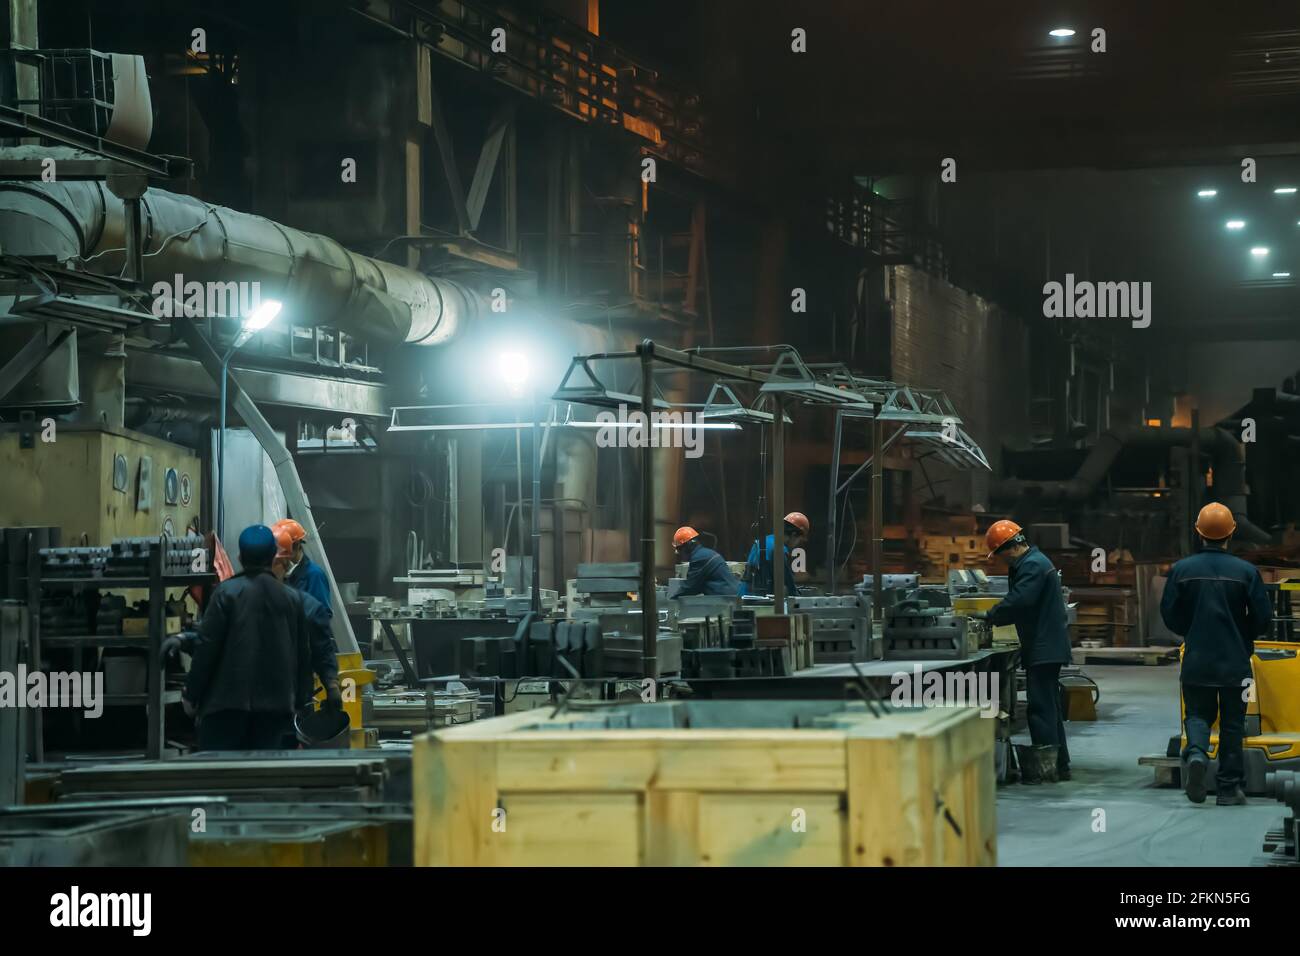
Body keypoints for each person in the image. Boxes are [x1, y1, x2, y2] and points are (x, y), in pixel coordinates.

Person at [1160, 502, 1272, 806]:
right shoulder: (1247, 572)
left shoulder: (1182, 570)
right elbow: (1263, 617)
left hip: (1197, 661)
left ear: (1199, 533)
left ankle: (1196, 754)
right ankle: (1227, 789)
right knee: (1234, 724)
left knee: (1196, 715)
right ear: (1230, 534)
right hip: (1236, 665)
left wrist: (1191, 630)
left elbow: (1169, 613)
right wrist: (1243, 634)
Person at [182, 524, 315, 750]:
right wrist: (303, 704)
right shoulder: (292, 599)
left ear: (240, 557)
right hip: (274, 711)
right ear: (274, 556)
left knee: (221, 777)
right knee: (264, 777)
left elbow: (207, 649)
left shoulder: (226, 593)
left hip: (225, 707)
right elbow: (303, 655)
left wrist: (191, 694)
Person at [984, 519, 1072, 783]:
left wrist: (989, 616)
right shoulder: (1033, 562)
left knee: (1040, 708)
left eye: (1000, 555)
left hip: (1044, 647)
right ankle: (1060, 764)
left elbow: (1021, 600)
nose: (1001, 562)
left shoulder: (1032, 565)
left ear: (1008, 549)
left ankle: (1046, 770)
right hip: (1045, 645)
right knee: (1050, 706)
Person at [273, 526, 342, 711]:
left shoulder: (313, 575)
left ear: (295, 547)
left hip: (301, 659)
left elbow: (321, 618)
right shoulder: (281, 576)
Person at [739, 512, 809, 598]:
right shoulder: (780, 549)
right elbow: (789, 585)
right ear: (794, 535)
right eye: (799, 540)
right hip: (757, 601)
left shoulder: (764, 541)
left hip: (743, 596)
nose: (797, 544)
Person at [271, 518, 332, 610]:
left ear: (297, 545)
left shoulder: (314, 575)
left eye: (283, 548)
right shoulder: (278, 572)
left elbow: (323, 614)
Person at [673, 526, 740, 597]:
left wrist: (672, 600)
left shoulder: (699, 558)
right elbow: (697, 587)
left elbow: (689, 587)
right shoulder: (707, 553)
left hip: (725, 598)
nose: (680, 554)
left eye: (680, 549)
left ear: (688, 546)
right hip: (731, 595)